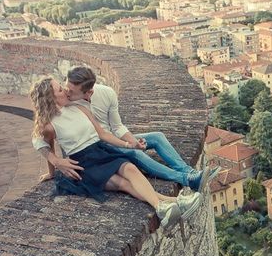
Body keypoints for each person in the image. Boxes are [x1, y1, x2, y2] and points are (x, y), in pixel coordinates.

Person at [30, 76, 201, 228]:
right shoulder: (49, 125)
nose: (65, 89)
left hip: (100, 150)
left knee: (130, 168)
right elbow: (42, 144)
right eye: (60, 89)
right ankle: (170, 204)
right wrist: (54, 166)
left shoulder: (79, 108)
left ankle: (167, 206)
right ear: (50, 98)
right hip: (84, 164)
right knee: (123, 184)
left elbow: (103, 134)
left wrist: (129, 145)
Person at [65, 66, 217, 191]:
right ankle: (187, 180)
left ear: (88, 92)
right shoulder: (67, 102)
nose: (67, 92)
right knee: (133, 152)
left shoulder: (107, 93)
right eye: (67, 87)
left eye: (72, 91)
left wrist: (133, 141)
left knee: (157, 137)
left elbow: (117, 126)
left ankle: (190, 172)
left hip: (112, 138)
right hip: (95, 147)